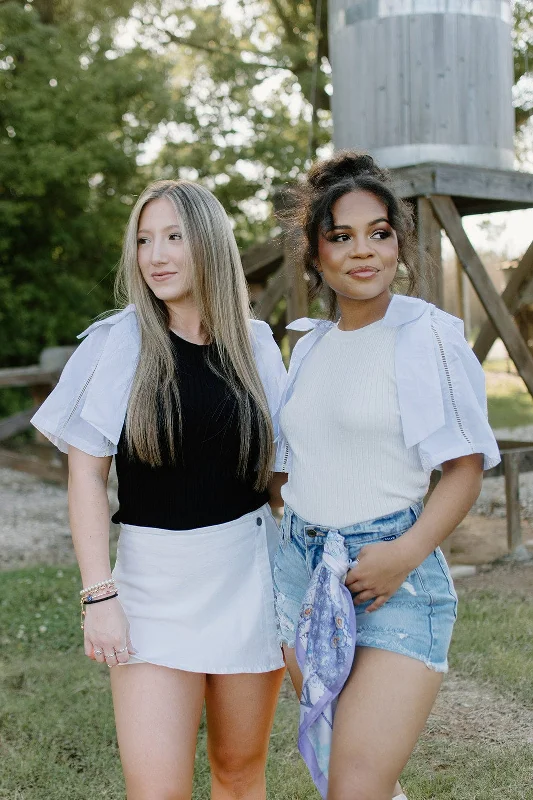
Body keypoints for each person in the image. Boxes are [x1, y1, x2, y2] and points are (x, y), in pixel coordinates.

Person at [32, 179, 288, 800]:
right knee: (156, 791)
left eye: (174, 237)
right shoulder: (118, 343)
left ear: (210, 244)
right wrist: (99, 596)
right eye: (145, 240)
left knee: (237, 772)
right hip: (151, 587)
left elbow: (282, 476)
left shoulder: (256, 345)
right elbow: (87, 475)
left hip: (249, 577)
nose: (156, 255)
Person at [272, 151, 500, 800]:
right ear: (315, 255)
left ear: (398, 244)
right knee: (354, 777)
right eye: (340, 237)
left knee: (353, 786)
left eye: (378, 233)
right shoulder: (308, 344)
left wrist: (402, 554)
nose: (362, 251)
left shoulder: (427, 337)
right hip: (304, 577)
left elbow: (463, 469)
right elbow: (291, 465)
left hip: (390, 578)